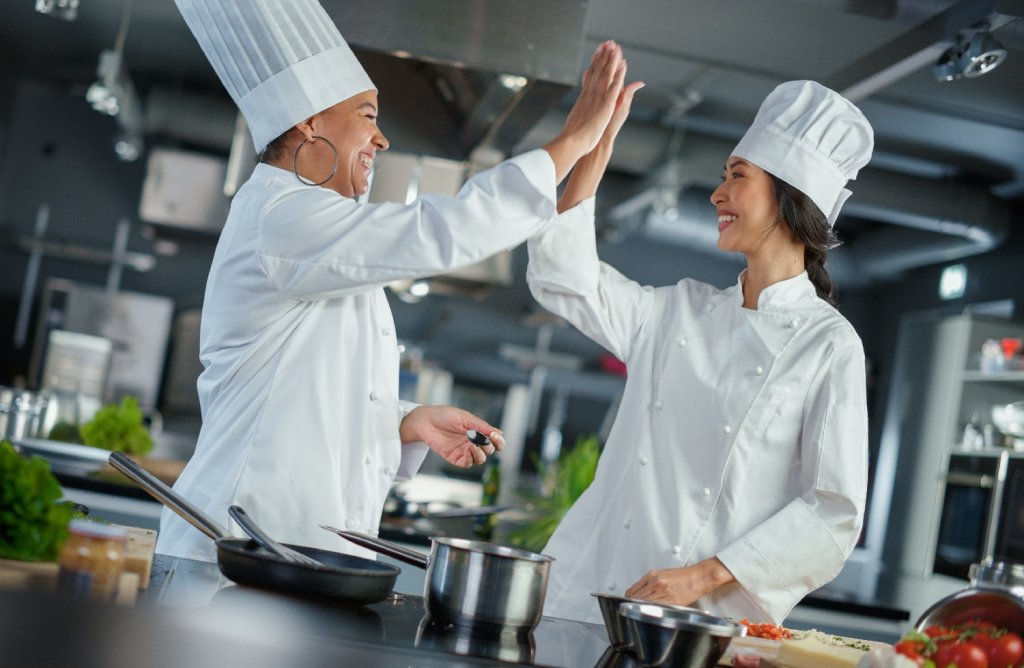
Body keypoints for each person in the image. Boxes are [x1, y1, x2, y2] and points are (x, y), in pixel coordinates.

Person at [157, 0, 628, 563]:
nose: (381, 141)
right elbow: (439, 232)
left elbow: (308, 391)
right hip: (237, 550)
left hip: (292, 551)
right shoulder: (280, 218)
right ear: (309, 121)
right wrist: (571, 141)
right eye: (367, 114)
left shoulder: (311, 230)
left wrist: (407, 422)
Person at [526, 79, 874, 624]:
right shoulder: (676, 313)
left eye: (737, 177)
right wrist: (595, 149)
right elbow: (563, 278)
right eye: (722, 178)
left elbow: (833, 512)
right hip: (590, 593)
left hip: (702, 618)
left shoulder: (827, 345)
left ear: (790, 197)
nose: (717, 194)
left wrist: (702, 575)